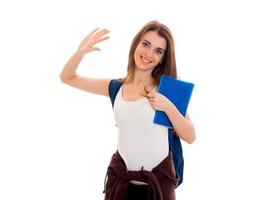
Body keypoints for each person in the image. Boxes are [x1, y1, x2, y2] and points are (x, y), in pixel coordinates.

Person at [60, 20, 196, 200]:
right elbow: (67, 77)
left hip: (158, 188)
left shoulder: (168, 90)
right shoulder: (115, 87)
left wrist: (168, 107)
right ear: (136, 44)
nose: (148, 54)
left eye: (158, 51)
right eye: (146, 44)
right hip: (120, 186)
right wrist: (80, 52)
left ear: (163, 58)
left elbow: (190, 136)